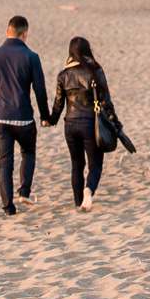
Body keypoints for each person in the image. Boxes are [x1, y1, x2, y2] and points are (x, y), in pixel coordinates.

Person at [0, 15, 51, 217]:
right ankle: (24, 191)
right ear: (25, 34)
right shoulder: (31, 57)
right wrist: (45, 116)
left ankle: (8, 207)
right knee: (28, 152)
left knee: (5, 162)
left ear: (7, 32)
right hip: (24, 117)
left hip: (1, 119)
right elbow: (40, 90)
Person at [50, 35, 116, 213]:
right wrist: (115, 122)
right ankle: (89, 190)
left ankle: (78, 201)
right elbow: (106, 101)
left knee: (76, 164)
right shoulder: (95, 71)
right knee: (95, 164)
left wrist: (51, 120)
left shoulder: (63, 75)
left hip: (70, 124)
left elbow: (58, 104)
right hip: (90, 123)